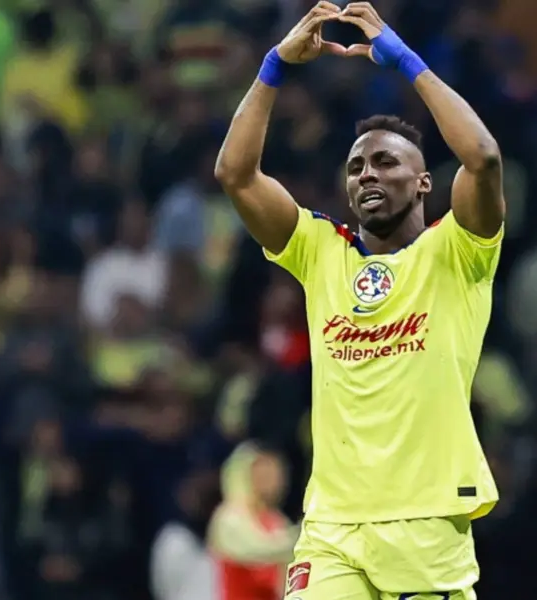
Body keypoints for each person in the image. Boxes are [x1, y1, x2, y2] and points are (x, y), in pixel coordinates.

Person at [213, 2, 506, 599]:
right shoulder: (322, 250)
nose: (365, 174)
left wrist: (405, 61)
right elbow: (236, 175)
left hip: (425, 523)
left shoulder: (458, 251)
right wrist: (272, 67)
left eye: (384, 161)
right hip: (331, 529)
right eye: (354, 167)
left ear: (424, 181)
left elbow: (482, 156)